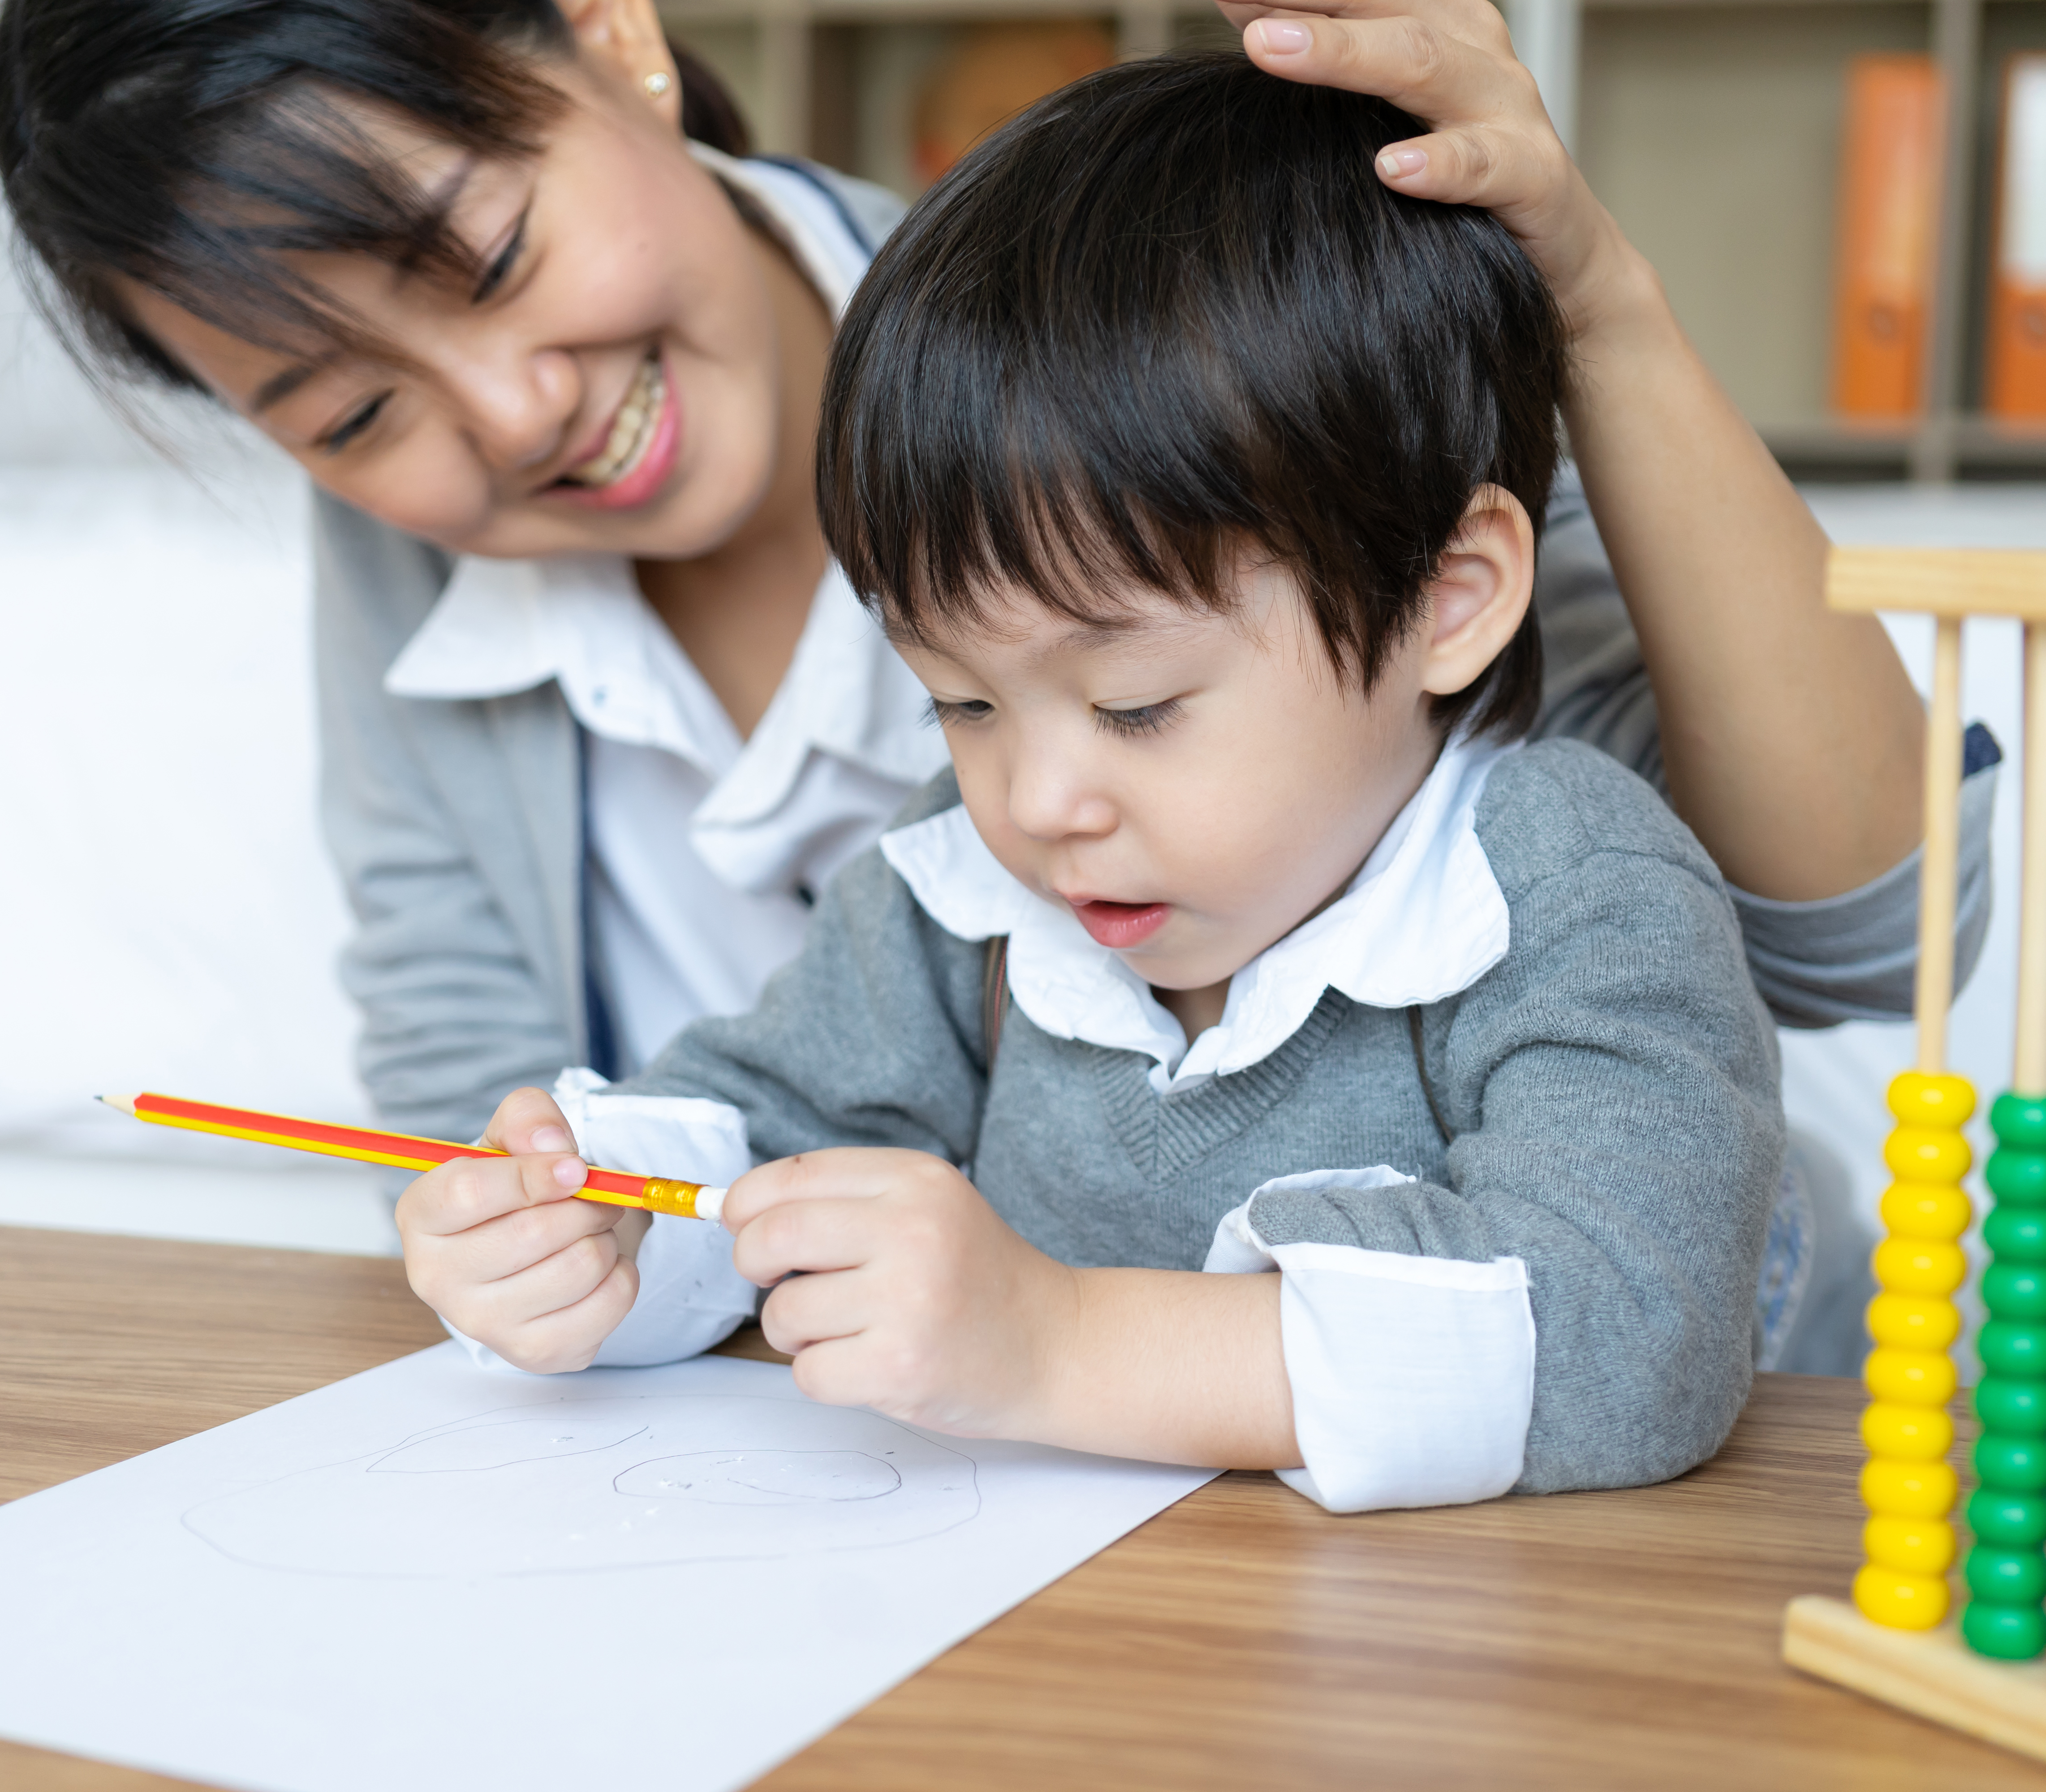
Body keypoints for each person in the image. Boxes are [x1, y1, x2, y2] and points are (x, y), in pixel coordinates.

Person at [0, 0, 1994, 1369]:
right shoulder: (412, 558)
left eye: (493, 255)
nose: (506, 421)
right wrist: (556, 1240)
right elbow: (510, 1107)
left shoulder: (1167, 347)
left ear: (611, 36)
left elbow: (1871, 937)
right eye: (347, 412)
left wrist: (1598, 297)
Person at [401, 56, 1787, 1508]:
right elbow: (756, 1135)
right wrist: (608, 1225)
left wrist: (1057, 1343)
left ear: (1447, 600)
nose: (1039, 800)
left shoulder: (1571, 895)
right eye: (963, 701)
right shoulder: (962, 889)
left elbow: (1630, 1343)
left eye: (1136, 705)